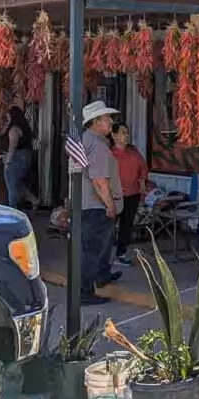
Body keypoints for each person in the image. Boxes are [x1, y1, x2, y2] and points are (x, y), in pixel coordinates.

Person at [79, 101, 123, 306]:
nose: (111, 121)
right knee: (93, 248)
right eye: (107, 119)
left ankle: (99, 277)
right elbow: (99, 180)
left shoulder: (88, 139)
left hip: (86, 204)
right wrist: (109, 204)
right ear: (96, 122)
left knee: (93, 247)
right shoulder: (96, 144)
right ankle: (85, 291)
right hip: (95, 205)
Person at [109, 122, 147, 266]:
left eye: (127, 132)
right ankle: (104, 257)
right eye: (123, 132)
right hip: (115, 195)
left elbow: (143, 168)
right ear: (114, 135)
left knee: (126, 226)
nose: (126, 135)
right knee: (109, 227)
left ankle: (121, 254)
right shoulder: (109, 153)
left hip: (132, 194)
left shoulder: (133, 151)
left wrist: (142, 183)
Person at [2, 106, 40, 210]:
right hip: (26, 158)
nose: (7, 118)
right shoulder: (24, 128)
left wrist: (8, 162)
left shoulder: (14, 129)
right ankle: (34, 200)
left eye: (8, 116)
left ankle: (12, 209)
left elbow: (12, 146)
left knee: (11, 185)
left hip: (17, 158)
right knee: (17, 184)